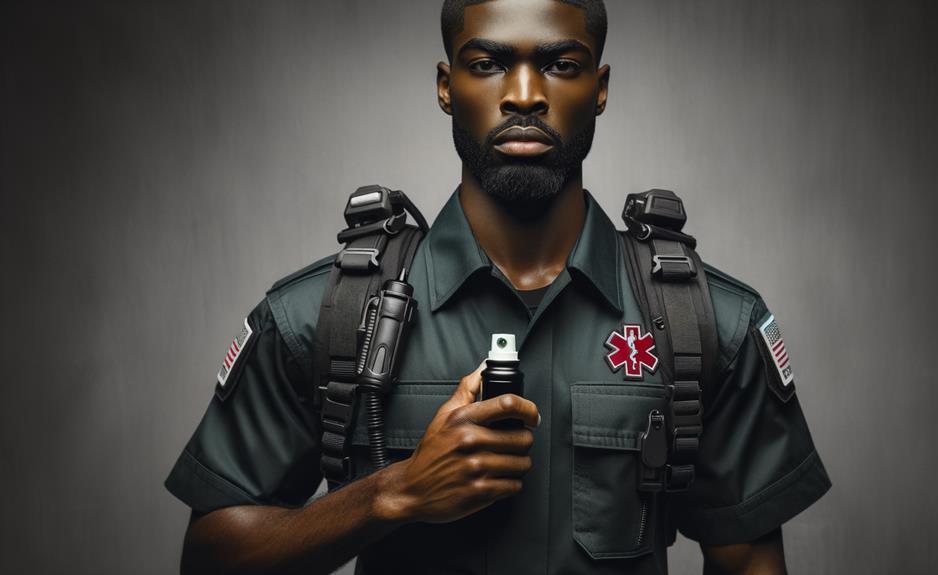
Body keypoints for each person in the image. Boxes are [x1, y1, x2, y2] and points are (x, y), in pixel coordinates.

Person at [165, 1, 831, 573]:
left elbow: (749, 562)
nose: (522, 93)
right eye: (486, 63)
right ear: (445, 85)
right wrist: (391, 495)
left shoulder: (704, 321)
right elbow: (210, 556)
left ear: (599, 87)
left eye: (560, 64)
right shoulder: (325, 316)